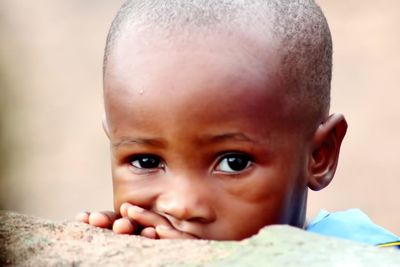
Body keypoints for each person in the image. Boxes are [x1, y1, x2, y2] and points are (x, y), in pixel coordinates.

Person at [76, 0, 399, 245]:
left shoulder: (362, 252)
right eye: (146, 161)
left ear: (318, 156)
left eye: (233, 162)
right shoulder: (128, 242)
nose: (182, 206)